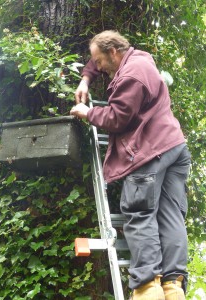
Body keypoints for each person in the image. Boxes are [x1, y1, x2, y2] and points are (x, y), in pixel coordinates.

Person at [70, 30, 191, 300]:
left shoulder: (131, 78)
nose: (98, 66)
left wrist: (88, 112)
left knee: (139, 213)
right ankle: (173, 287)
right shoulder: (141, 59)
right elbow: (97, 60)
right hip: (174, 147)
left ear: (113, 52)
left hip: (150, 152)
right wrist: (86, 78)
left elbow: (117, 118)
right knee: (171, 216)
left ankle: (148, 287)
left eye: (100, 61)